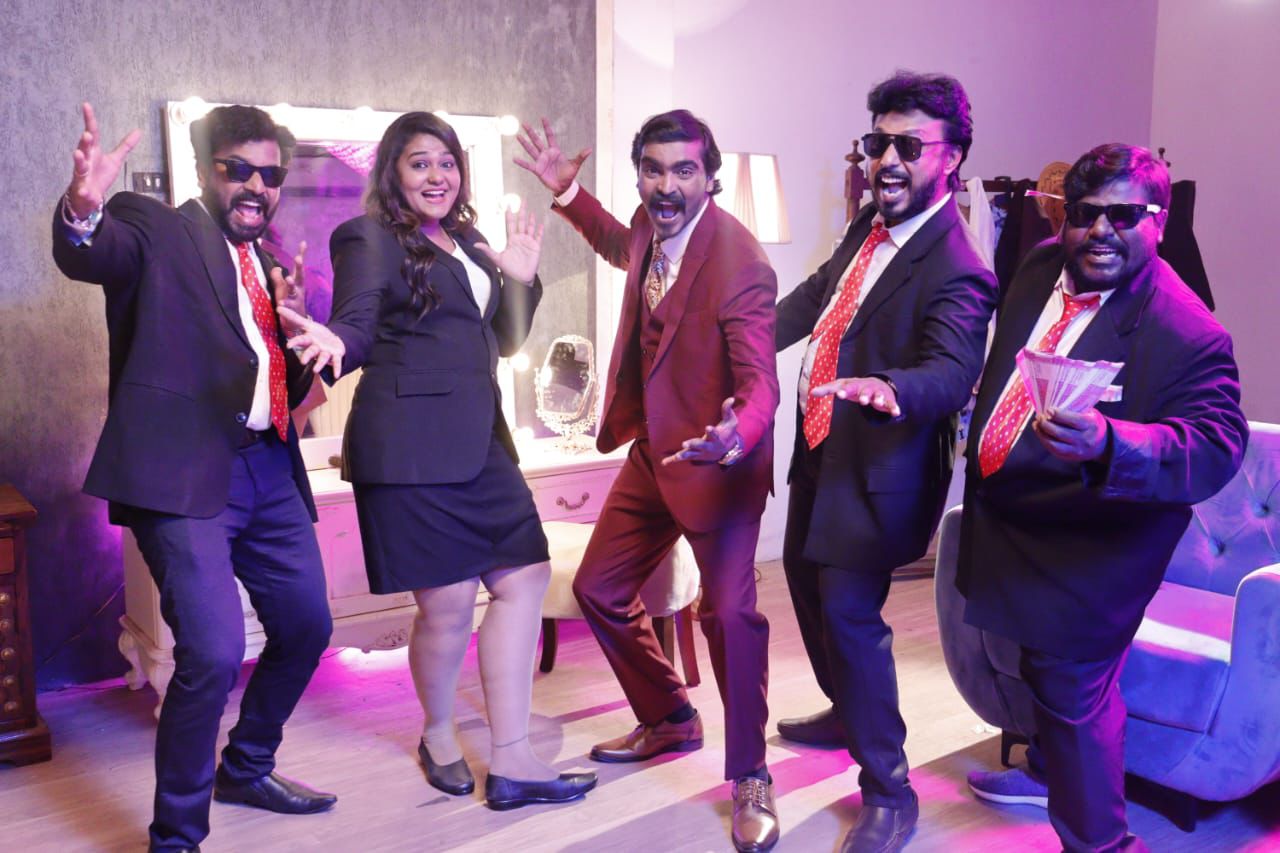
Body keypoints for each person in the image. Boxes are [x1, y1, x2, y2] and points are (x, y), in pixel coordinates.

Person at [284, 111, 596, 811]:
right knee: (450, 605)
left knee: (526, 575)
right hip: (412, 449)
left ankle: (513, 759)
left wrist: (521, 279)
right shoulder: (366, 236)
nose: (437, 175)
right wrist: (337, 343)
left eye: (447, 162)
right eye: (420, 162)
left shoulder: (471, 241)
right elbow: (360, 318)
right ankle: (437, 733)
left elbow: (504, 342)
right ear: (392, 172)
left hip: (483, 444)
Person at [52, 103, 340, 852]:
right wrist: (83, 210)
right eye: (237, 168)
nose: (256, 186)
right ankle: (176, 836)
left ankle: (246, 766)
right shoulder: (156, 227)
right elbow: (94, 251)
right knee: (211, 653)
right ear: (206, 169)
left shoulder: (268, 267)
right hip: (185, 476)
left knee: (308, 626)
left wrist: (300, 337)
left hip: (269, 467)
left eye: (270, 174)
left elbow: (269, 378)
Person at [957, 143, 1248, 852]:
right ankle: (1047, 769)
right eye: (1086, 213)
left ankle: (1104, 842)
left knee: (1071, 688)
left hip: (1095, 544)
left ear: (1159, 220)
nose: (1100, 231)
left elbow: (1215, 444)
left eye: (1124, 216)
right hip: (1016, 523)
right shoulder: (1038, 266)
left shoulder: (1188, 331)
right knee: (1043, 672)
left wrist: (1111, 441)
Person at [515, 110, 781, 852]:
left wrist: (738, 433)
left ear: (710, 177)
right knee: (598, 587)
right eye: (654, 169)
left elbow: (760, 381)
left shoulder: (740, 262)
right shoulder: (647, 225)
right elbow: (617, 242)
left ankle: (751, 773)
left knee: (729, 616)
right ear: (640, 174)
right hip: (652, 453)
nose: (667, 186)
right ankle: (669, 717)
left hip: (720, 462)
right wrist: (567, 194)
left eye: (684, 170)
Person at [773, 71, 997, 853]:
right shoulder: (870, 224)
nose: (887, 161)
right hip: (821, 448)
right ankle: (847, 710)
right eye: (878, 143)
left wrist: (892, 388)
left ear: (952, 157)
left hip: (879, 471)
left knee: (849, 615)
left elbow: (953, 372)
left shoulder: (960, 265)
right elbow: (819, 295)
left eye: (908, 145)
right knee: (803, 583)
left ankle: (889, 789)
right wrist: (740, 338)